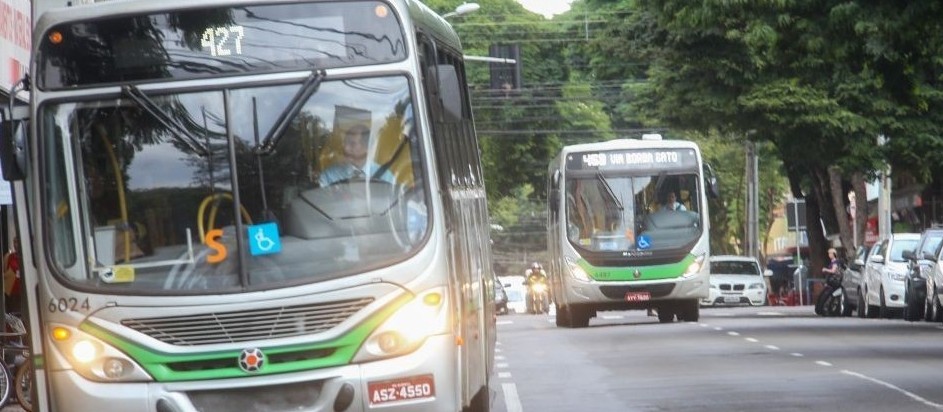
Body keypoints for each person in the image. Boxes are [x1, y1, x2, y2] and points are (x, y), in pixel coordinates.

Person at [319, 124, 395, 186]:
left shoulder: (386, 176)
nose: (346, 148)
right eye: (345, 142)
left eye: (352, 143)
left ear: (366, 147)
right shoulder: (328, 176)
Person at [2, 236, 21, 314]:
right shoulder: (9, 256)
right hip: (11, 292)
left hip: (22, 292)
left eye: (17, 242)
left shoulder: (27, 257)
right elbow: (4, 271)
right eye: (14, 242)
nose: (16, 244)